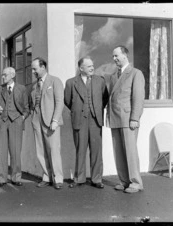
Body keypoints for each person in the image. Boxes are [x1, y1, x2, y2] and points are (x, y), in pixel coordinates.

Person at [64, 56, 109, 189]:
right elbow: (68, 101)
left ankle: (97, 179)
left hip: (95, 120)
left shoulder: (100, 81)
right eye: (89, 66)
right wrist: (78, 110)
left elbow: (104, 98)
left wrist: (96, 110)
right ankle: (79, 178)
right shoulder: (71, 82)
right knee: (80, 150)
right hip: (79, 120)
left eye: (92, 66)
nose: (92, 68)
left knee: (96, 151)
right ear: (81, 68)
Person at [106, 45, 145, 194]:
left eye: (116, 56)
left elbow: (138, 98)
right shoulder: (113, 76)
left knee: (130, 151)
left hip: (128, 119)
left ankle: (136, 182)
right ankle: (124, 181)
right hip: (115, 118)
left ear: (125, 55)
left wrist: (135, 118)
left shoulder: (135, 73)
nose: (114, 59)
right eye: (113, 56)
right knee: (119, 152)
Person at [29, 57, 64, 190]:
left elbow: (60, 102)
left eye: (35, 69)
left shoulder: (55, 81)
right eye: (32, 69)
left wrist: (55, 120)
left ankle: (58, 178)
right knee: (40, 150)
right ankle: (46, 176)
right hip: (37, 120)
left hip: (50, 121)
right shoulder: (34, 86)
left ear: (43, 67)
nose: (33, 72)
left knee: (54, 150)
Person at [0, 67, 29, 187]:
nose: (3, 77)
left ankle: (16, 177)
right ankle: (2, 178)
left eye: (5, 75)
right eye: (3, 75)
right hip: (2, 121)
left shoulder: (21, 88)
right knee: (1, 151)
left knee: (15, 151)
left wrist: (22, 118)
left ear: (12, 75)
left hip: (16, 122)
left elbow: (26, 108)